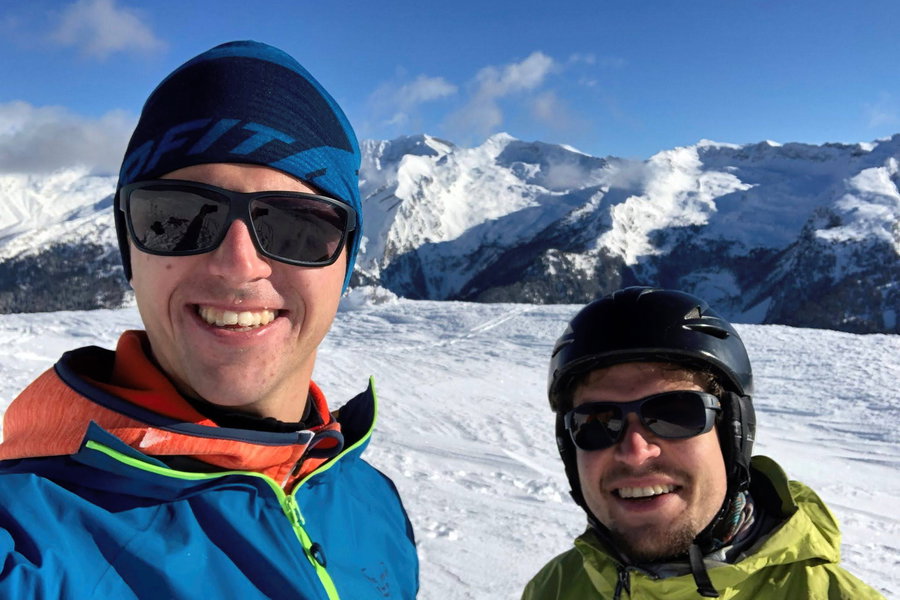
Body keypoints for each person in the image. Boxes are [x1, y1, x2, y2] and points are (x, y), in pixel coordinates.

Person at [0, 41, 418, 599]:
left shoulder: (372, 504)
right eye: (178, 216)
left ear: (344, 262)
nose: (238, 265)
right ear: (130, 248)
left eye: (298, 225)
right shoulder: (25, 549)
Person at [522, 286, 884, 599]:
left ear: (732, 435)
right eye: (597, 423)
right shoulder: (554, 588)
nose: (635, 452)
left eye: (676, 415)